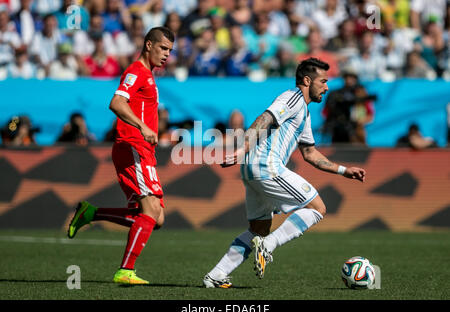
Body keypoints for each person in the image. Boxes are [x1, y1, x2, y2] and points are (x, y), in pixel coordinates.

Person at [203, 58, 366, 288]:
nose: (327, 87)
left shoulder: (305, 113)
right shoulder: (292, 97)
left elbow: (310, 153)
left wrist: (343, 170)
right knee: (317, 208)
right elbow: (264, 118)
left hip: (252, 169)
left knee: (258, 228)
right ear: (307, 81)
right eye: (323, 81)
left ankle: (216, 275)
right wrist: (243, 148)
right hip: (266, 165)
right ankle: (268, 246)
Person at [66, 26, 175, 285]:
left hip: (143, 150)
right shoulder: (136, 71)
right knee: (150, 210)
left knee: (156, 218)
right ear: (148, 45)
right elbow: (116, 102)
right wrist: (144, 126)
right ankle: (125, 270)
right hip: (132, 146)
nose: (166, 55)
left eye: (169, 51)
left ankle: (91, 213)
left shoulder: (148, 74)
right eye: (162, 48)